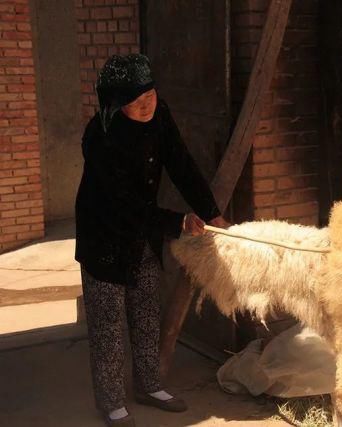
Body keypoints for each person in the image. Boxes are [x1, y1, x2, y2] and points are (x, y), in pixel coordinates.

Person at [75, 54, 229, 427]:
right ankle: (111, 401)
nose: (147, 106)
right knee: (109, 324)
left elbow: (182, 165)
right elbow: (122, 203)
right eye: (136, 101)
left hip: (142, 234)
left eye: (151, 95)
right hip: (104, 237)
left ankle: (148, 385)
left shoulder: (160, 118)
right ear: (115, 103)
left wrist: (211, 212)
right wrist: (177, 222)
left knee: (146, 311)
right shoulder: (100, 137)